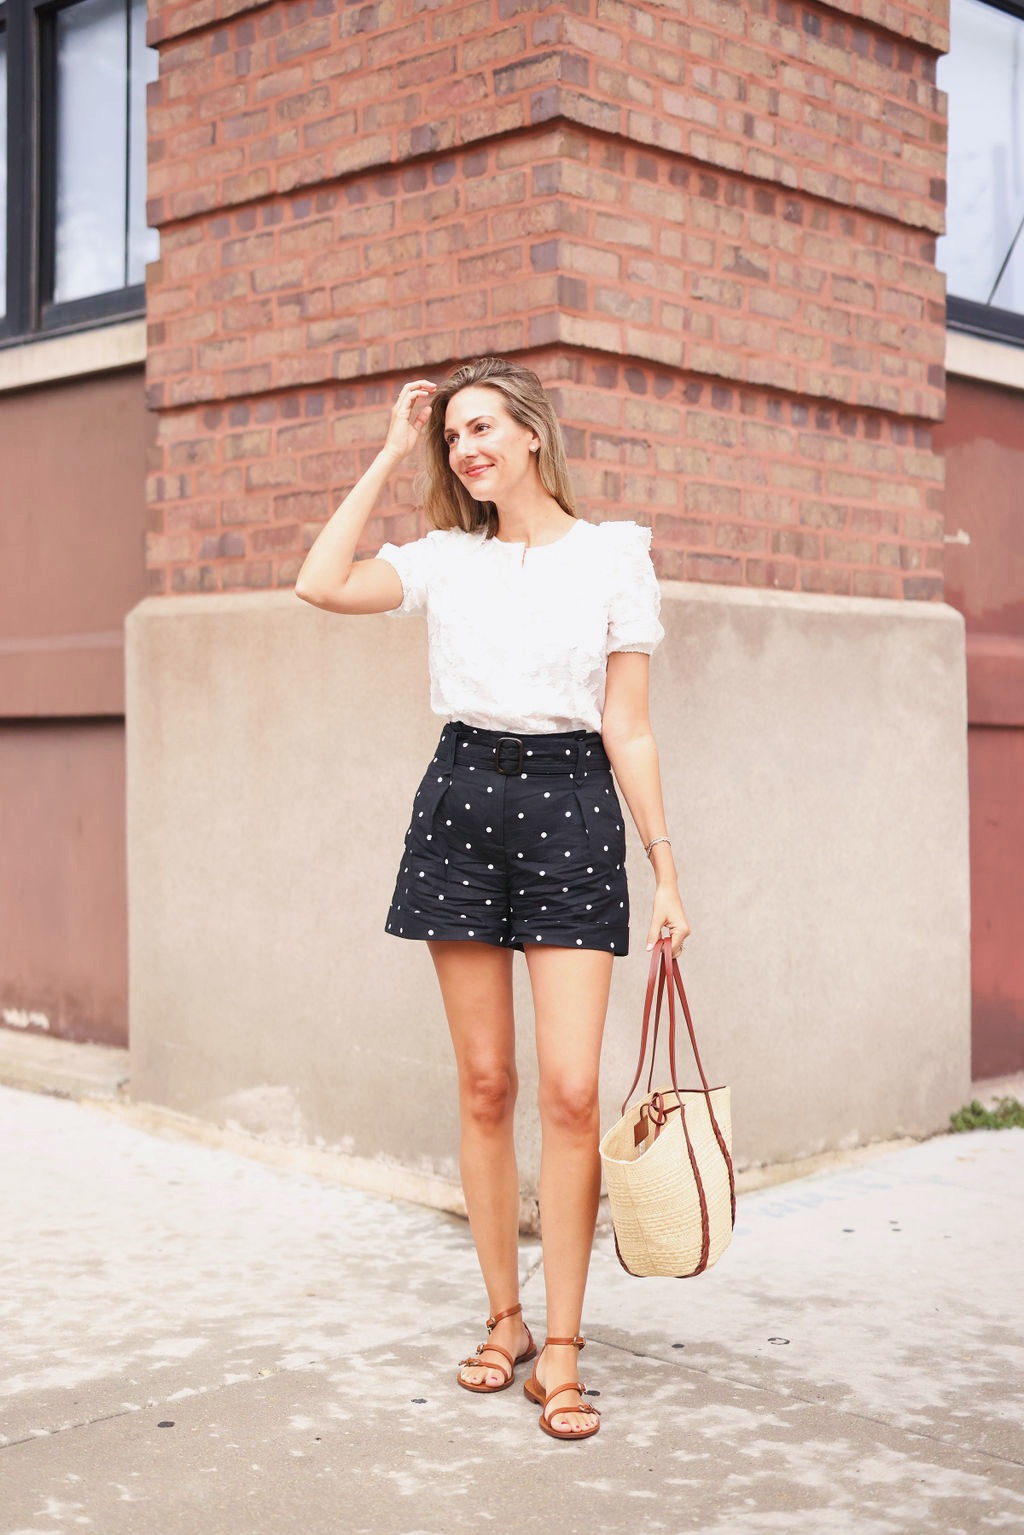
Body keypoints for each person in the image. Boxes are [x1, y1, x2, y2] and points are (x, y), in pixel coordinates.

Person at [295, 357, 690, 1442]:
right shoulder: (442, 560)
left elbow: (630, 724)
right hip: (461, 798)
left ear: (529, 432)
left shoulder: (615, 555)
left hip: (570, 806)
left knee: (568, 1092)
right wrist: (386, 450)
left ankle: (563, 1343)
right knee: (484, 1083)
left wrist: (665, 868)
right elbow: (318, 584)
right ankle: (506, 1318)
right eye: (452, 435)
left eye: (483, 426)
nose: (465, 447)